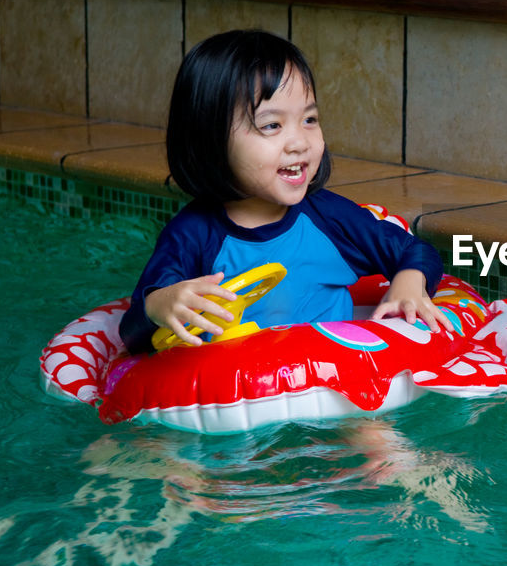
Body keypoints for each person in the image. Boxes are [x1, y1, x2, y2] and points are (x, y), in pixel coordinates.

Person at [119, 30, 451, 353]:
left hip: (336, 383)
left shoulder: (329, 218)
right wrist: (158, 305)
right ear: (210, 142)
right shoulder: (191, 236)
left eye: (309, 119)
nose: (299, 142)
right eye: (272, 125)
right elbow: (133, 332)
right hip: (237, 396)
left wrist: (408, 281)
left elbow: (416, 250)